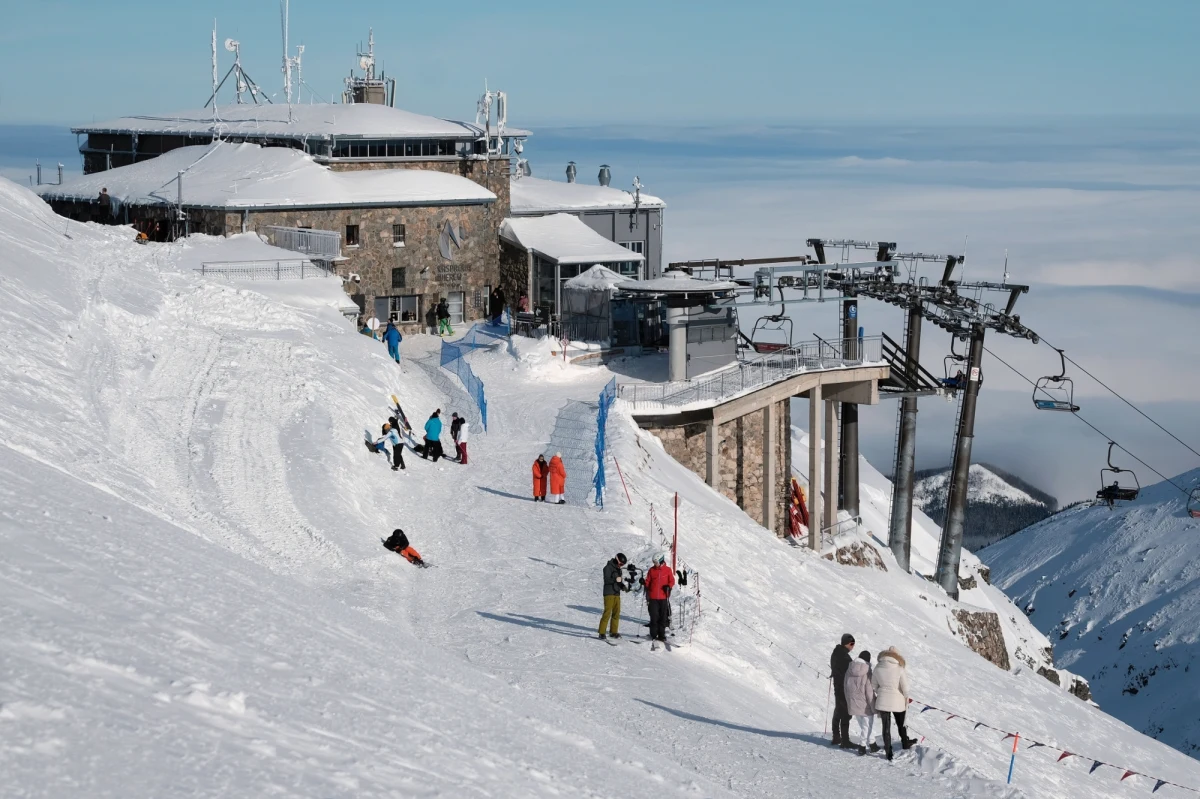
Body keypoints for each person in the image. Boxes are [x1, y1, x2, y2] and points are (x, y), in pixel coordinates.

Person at [872, 645, 914, 760]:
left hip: (882, 700)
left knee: (886, 727)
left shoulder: (878, 667)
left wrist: (882, 691)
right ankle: (905, 743)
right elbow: (905, 688)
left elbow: (873, 686)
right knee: (901, 723)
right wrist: (906, 697)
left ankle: (888, 751)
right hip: (898, 701)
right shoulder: (899, 668)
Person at [845, 651, 879, 755]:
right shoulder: (867, 670)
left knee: (864, 726)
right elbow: (869, 691)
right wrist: (873, 705)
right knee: (867, 726)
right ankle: (862, 746)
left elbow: (845, 687)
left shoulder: (850, 668)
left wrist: (849, 701)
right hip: (864, 704)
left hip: (853, 702)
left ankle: (872, 744)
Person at [830, 633, 856, 748]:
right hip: (843, 688)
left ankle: (836, 737)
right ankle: (845, 741)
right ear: (847, 643)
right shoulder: (844, 656)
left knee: (838, 710)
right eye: (852, 644)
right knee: (845, 713)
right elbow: (850, 672)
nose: (853, 646)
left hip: (838, 686)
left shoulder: (837, 652)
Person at [644, 553, 675, 644]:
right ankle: (653, 634)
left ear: (661, 560)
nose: (655, 564)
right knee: (654, 616)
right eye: (653, 562)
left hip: (663, 597)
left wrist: (668, 586)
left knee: (663, 617)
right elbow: (648, 581)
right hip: (653, 597)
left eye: (656, 562)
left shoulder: (668, 570)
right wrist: (644, 583)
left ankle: (661, 635)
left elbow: (672, 581)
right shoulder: (651, 570)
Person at [598, 552, 629, 639]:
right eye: (621, 563)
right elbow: (607, 580)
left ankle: (613, 632)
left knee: (616, 613)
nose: (621, 565)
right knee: (607, 613)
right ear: (617, 560)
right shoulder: (607, 567)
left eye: (623, 564)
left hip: (616, 593)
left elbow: (618, 581)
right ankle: (602, 632)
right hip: (609, 593)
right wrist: (615, 579)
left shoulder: (618, 569)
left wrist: (622, 586)